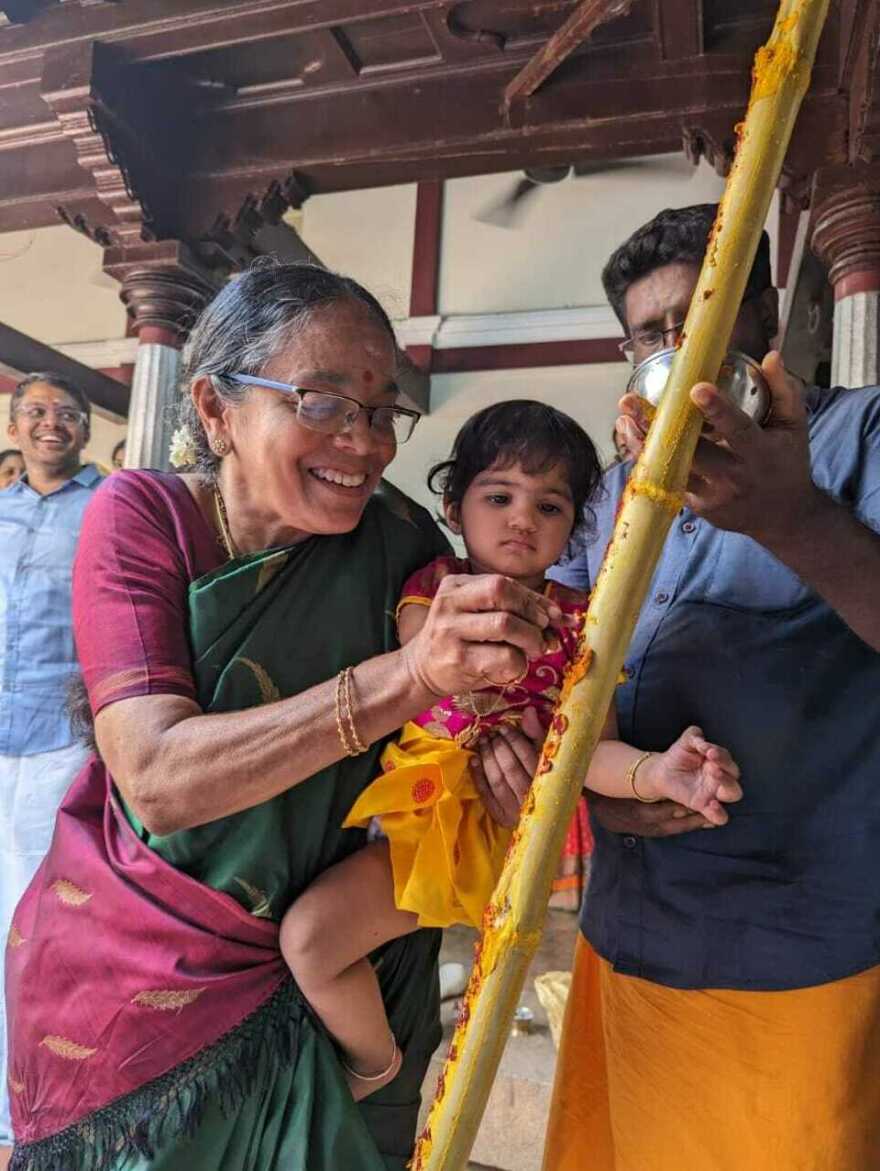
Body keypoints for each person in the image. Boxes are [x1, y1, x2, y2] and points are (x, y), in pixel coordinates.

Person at [5, 264, 571, 1171]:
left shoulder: (405, 548)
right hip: (143, 975)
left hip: (347, 982)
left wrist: (507, 772)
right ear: (216, 408)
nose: (364, 441)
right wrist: (405, 676)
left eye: (383, 411)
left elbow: (460, 739)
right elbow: (157, 773)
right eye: (321, 401)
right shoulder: (143, 517)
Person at [543, 204, 880, 1171]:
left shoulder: (860, 436)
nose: (676, 345)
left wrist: (790, 516)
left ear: (764, 315)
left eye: (702, 312)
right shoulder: (616, 492)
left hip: (794, 963)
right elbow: (575, 663)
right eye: (652, 332)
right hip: (622, 942)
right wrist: (621, 780)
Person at [280, 399, 742, 1101]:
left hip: (462, 837)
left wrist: (656, 773)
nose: (523, 518)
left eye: (550, 506)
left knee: (310, 939)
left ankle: (370, 1074)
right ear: (453, 503)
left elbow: (587, 751)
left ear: (574, 528)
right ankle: (371, 1061)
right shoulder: (432, 593)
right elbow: (424, 675)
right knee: (306, 938)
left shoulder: (582, 626)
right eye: (499, 496)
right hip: (385, 808)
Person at [0, 373, 101, 1161]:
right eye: (36, 412)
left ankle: (37, 1109)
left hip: (58, 740)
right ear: (14, 422)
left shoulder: (107, 508)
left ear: (84, 430)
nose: (50, 425)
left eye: (65, 414)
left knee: (41, 927)